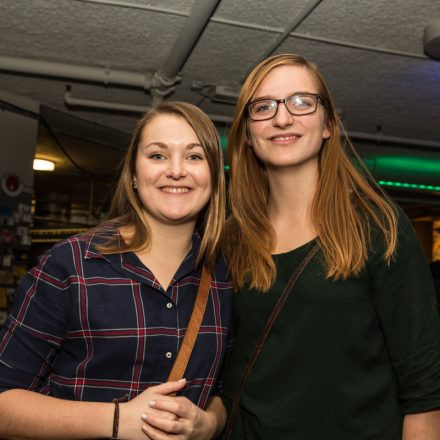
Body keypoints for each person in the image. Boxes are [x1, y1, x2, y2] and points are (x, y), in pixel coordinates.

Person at [220, 53, 440, 439]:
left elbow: (423, 388)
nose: (282, 118)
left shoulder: (377, 225)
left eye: (302, 102)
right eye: (263, 106)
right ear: (247, 134)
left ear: (328, 124)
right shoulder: (231, 238)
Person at [0, 101, 231, 440]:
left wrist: (208, 424)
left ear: (214, 175)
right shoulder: (71, 266)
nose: (177, 170)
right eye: (157, 155)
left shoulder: (226, 277)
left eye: (195, 156)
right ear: (134, 175)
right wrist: (118, 419)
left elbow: (227, 389)